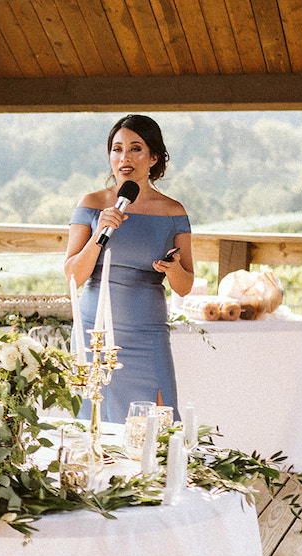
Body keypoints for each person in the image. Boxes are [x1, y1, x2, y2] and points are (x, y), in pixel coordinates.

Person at [64, 113, 195, 423]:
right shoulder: (92, 203)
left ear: (154, 158)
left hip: (148, 335)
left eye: (136, 149)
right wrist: (98, 235)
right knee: (93, 424)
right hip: (94, 332)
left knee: (156, 426)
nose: (124, 157)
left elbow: (185, 285)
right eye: (117, 148)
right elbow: (72, 275)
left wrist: (173, 268)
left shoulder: (174, 212)